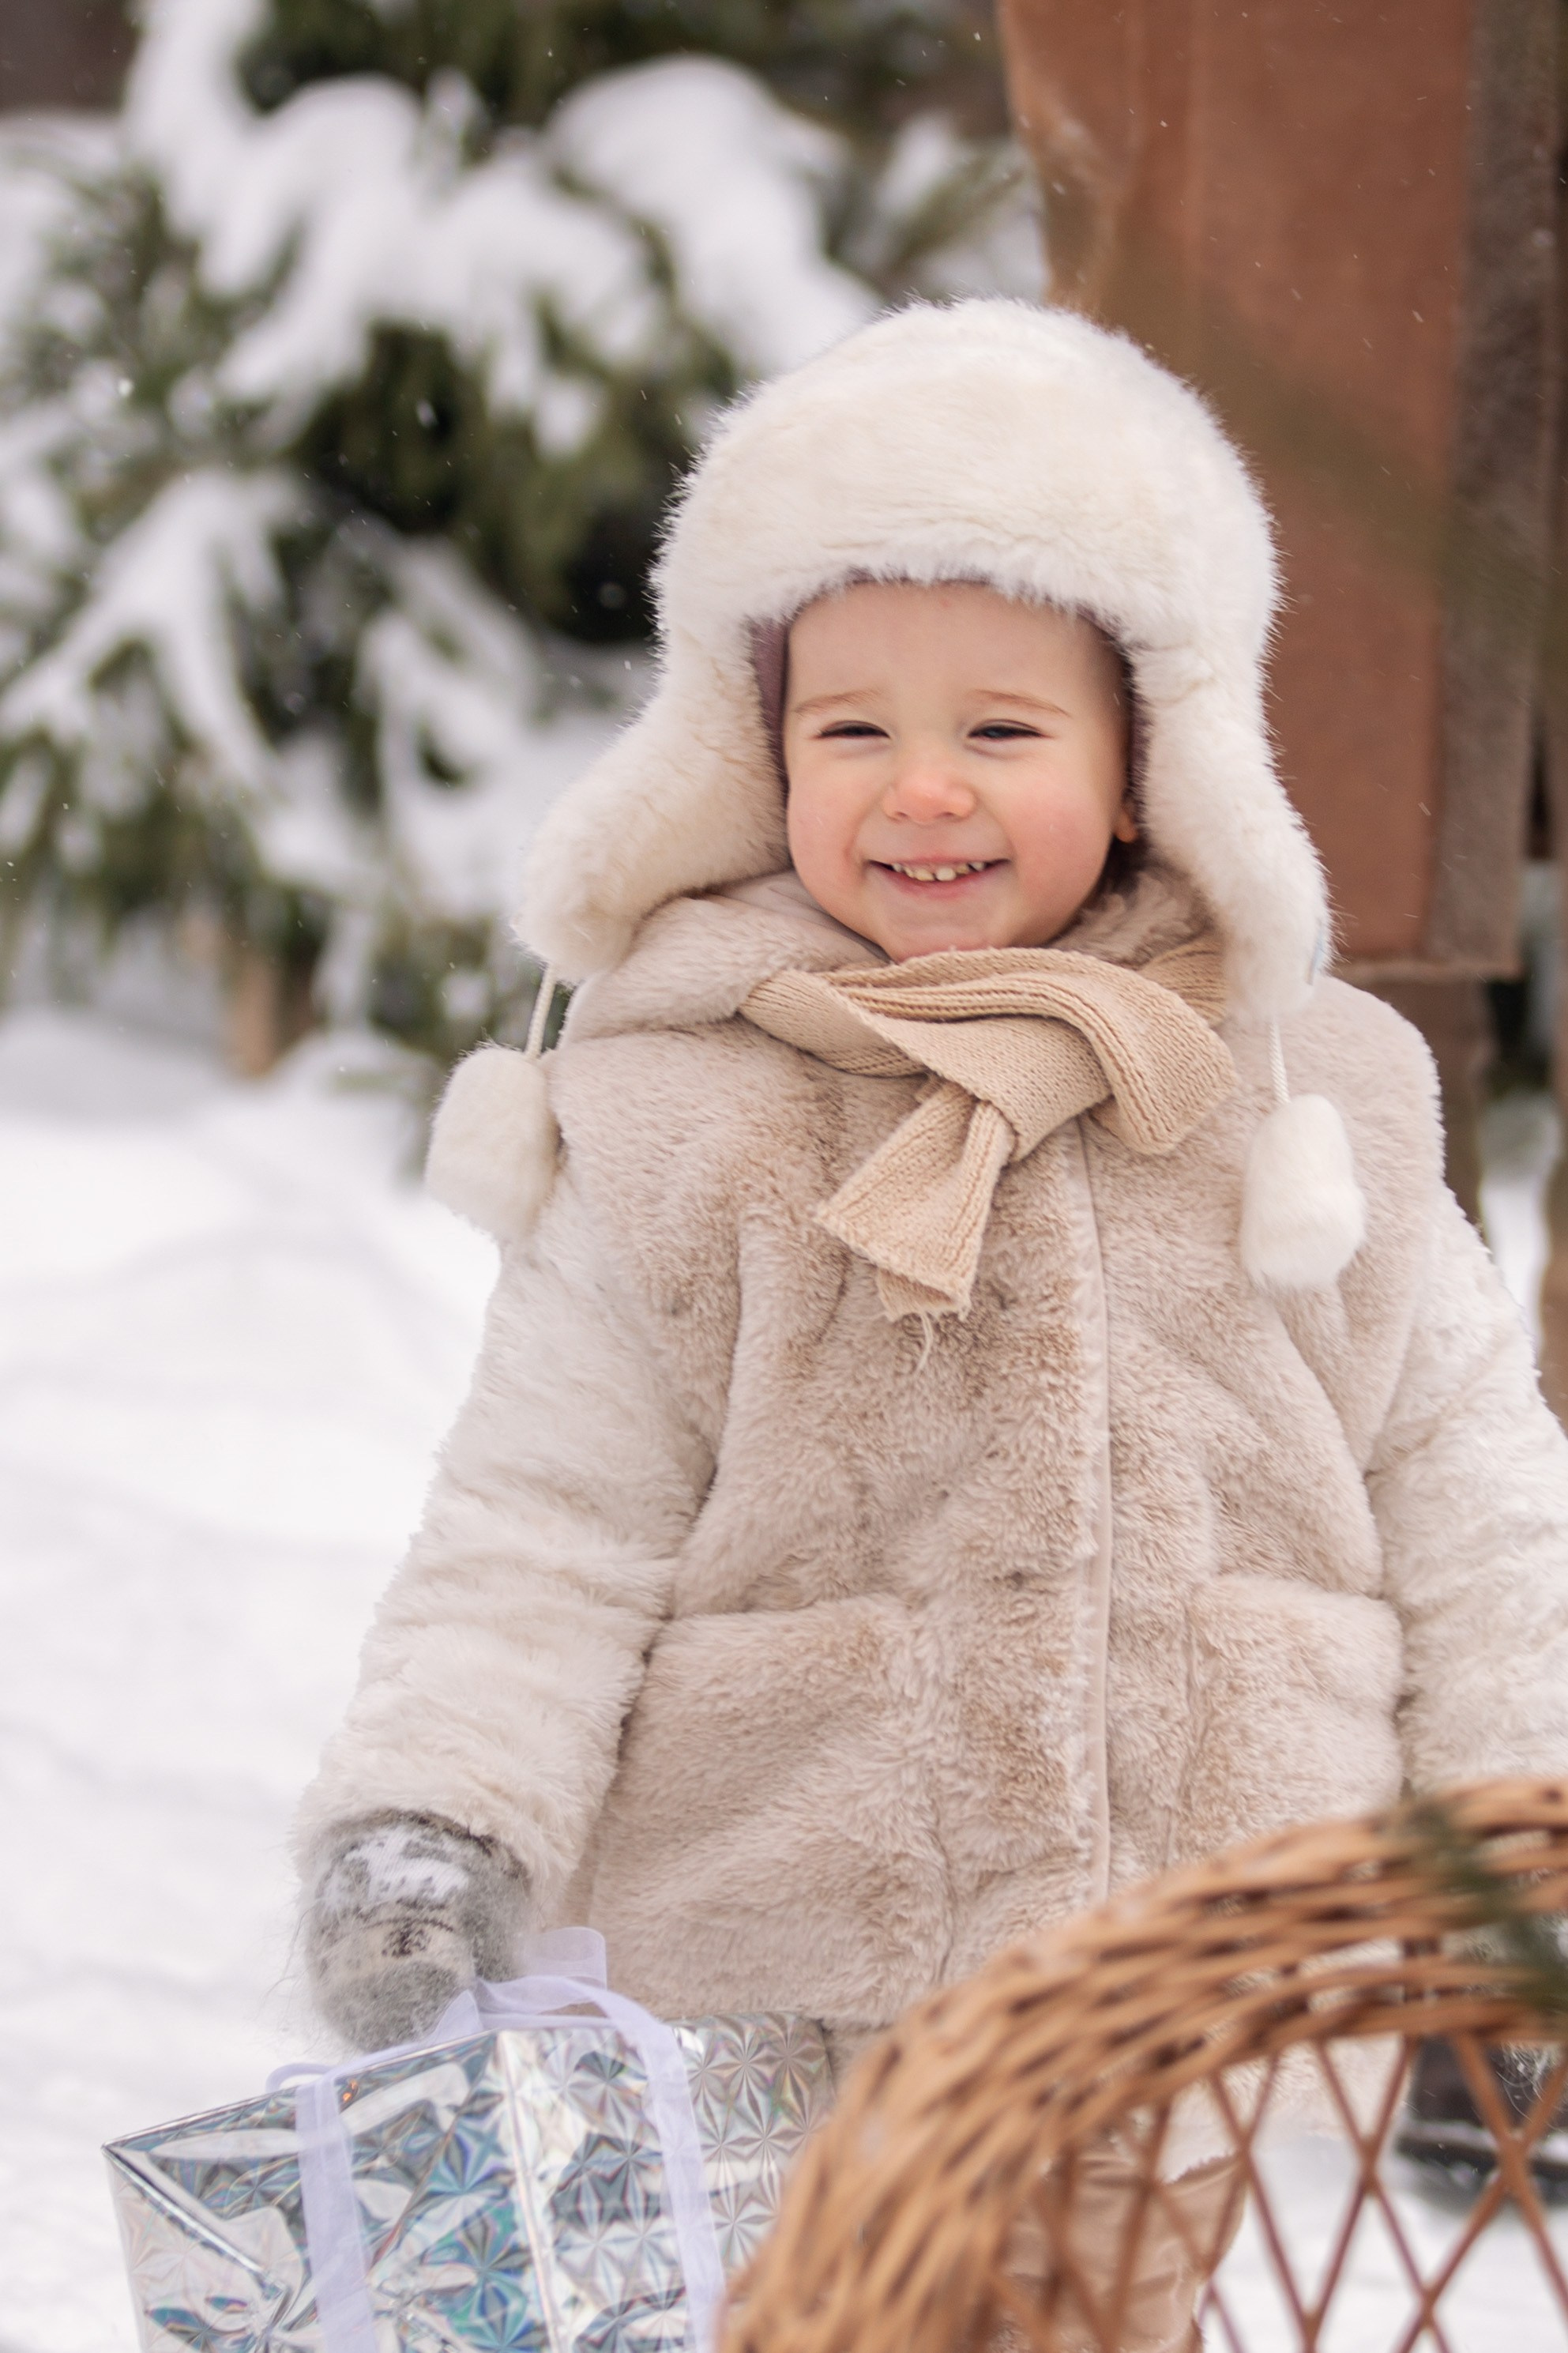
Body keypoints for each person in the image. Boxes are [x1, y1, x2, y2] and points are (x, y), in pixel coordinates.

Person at [295, 301, 1568, 2335]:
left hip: (1179, 1979)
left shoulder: (1305, 1109)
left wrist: (1523, 1859)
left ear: (1152, 766)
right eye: (849, 732)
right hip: (784, 1992)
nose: (921, 791)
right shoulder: (686, 1119)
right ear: (751, 755)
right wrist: (434, 1812)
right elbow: (545, 1517)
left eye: (1000, 731)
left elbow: (1479, 1503)